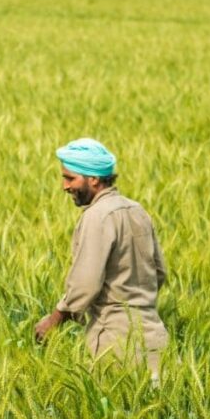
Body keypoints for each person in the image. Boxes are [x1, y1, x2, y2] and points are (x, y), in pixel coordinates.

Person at [34, 138, 169, 381]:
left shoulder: (97, 217)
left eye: (70, 178)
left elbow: (85, 285)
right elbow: (159, 273)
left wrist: (53, 321)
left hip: (114, 345)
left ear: (93, 178)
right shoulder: (138, 210)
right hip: (157, 342)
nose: (64, 186)